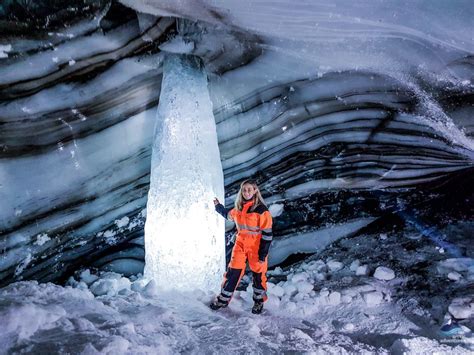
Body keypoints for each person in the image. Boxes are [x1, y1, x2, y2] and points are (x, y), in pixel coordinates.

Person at [210, 179, 273, 314]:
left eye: (249, 189)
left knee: (258, 275)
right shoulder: (239, 208)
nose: (246, 192)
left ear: (255, 190)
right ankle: (223, 299)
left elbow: (268, 234)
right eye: (244, 190)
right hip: (240, 244)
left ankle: (258, 302)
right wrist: (218, 206)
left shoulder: (262, 211)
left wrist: (263, 253)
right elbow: (228, 215)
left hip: (256, 246)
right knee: (233, 272)